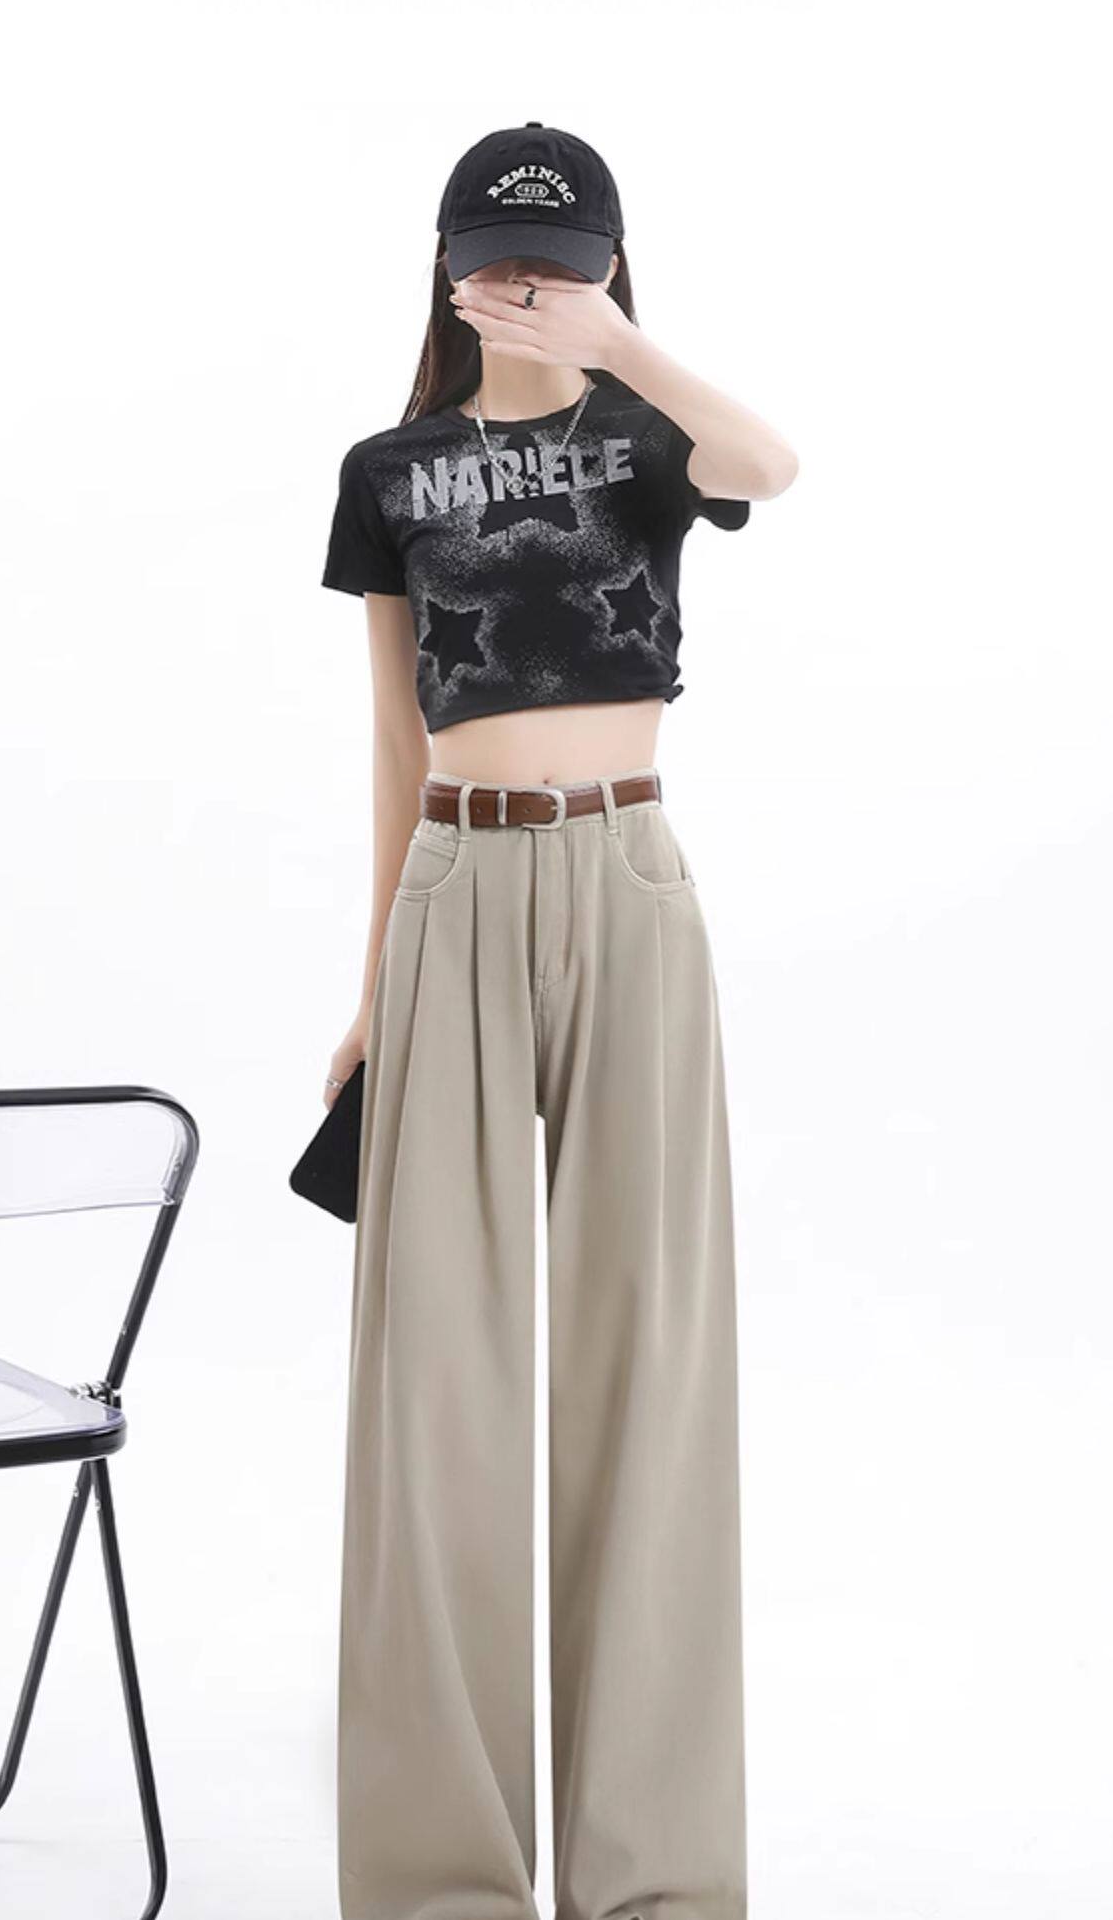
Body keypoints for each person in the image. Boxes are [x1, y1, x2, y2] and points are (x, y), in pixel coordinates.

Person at [320, 120, 799, 1920]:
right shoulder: (389, 468)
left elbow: (774, 462)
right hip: (455, 885)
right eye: (502, 262)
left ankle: (653, 1877)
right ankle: (442, 1878)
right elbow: (394, 737)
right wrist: (373, 985)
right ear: (449, 271)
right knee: (436, 1380)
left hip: (630, 879)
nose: (527, 287)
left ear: (608, 266)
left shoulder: (655, 433)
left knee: (648, 1362)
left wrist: (618, 346)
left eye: (564, 261)